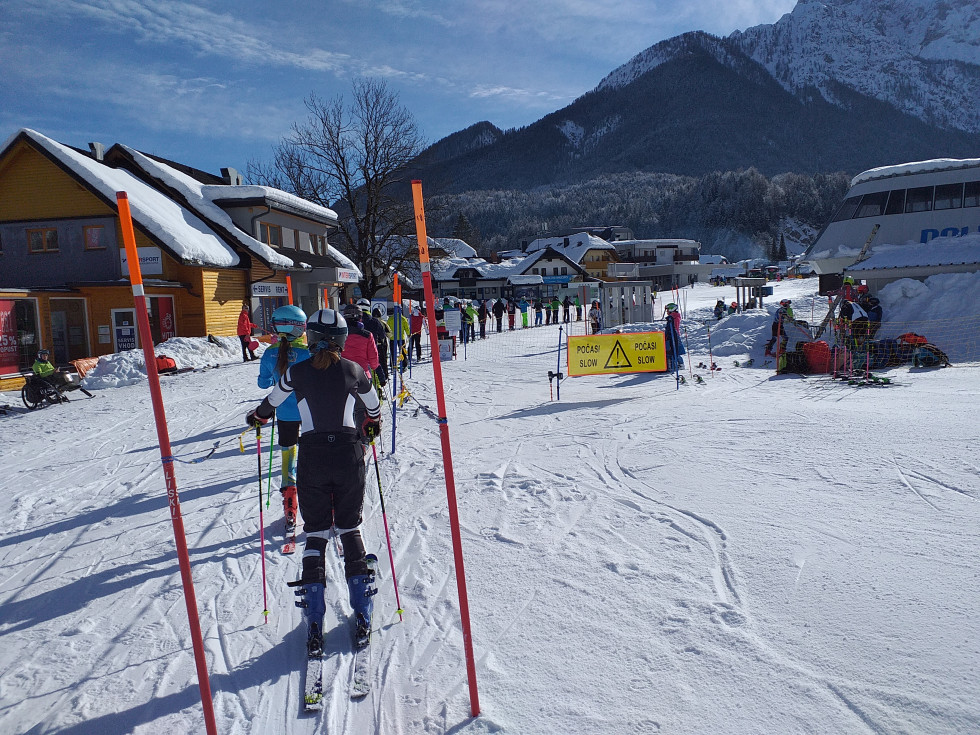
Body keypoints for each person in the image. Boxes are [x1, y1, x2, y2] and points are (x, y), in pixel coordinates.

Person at [246, 309, 381, 654]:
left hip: (313, 458)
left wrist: (257, 418)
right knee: (350, 527)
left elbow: (269, 404)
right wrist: (371, 426)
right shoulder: (355, 370)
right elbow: (374, 408)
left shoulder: (296, 371)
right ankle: (362, 611)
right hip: (348, 456)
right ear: (340, 339)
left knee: (318, 531)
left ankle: (316, 618)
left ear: (314, 337)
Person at [257, 305, 310, 532]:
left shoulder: (270, 353)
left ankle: (290, 505)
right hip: (309, 412)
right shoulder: (310, 353)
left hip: (285, 413)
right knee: (312, 454)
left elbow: (263, 382)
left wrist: (275, 379)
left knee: (288, 456)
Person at [357, 299, 389, 383]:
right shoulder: (375, 322)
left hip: (356, 354)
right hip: (372, 351)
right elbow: (382, 335)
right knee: (374, 374)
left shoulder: (353, 322)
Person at [664, 302, 685, 372]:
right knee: (671, 351)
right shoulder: (672, 317)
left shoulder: (674, 317)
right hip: (671, 335)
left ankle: (680, 364)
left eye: (667, 310)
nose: (666, 312)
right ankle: (672, 364)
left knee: (675, 350)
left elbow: (674, 327)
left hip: (674, 335)